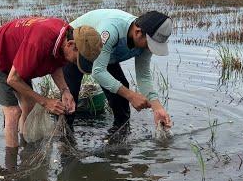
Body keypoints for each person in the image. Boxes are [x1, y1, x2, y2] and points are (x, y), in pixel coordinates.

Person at [0, 16, 101, 151]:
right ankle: (11, 166)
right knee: (13, 112)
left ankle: (25, 147)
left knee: (29, 106)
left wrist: (65, 90)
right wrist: (45, 102)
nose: (74, 62)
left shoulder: (65, 37)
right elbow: (13, 79)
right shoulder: (39, 43)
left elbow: (56, 64)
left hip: (19, 58)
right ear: (70, 45)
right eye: (76, 59)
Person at [63, 9, 173, 138]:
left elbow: (143, 76)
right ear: (138, 32)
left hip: (106, 54)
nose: (150, 49)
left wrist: (157, 108)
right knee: (70, 98)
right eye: (150, 45)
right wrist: (131, 96)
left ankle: (118, 139)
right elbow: (98, 72)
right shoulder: (111, 30)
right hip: (78, 47)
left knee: (121, 95)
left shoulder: (147, 40)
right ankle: (65, 139)